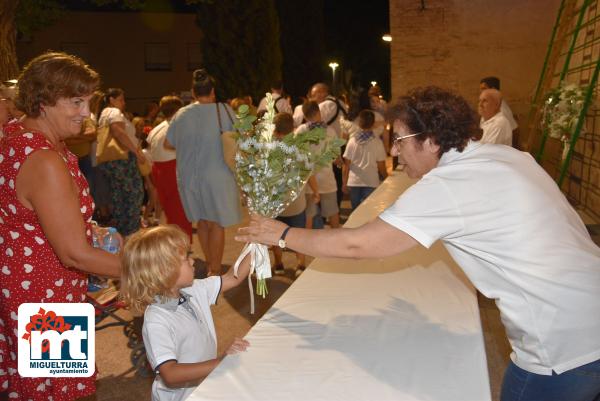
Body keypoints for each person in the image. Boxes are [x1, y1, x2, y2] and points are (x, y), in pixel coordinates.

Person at [236, 86, 600, 401]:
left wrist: (280, 234)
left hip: (563, 345)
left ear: (432, 140)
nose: (393, 151)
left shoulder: (449, 184)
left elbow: (358, 245)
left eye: (400, 140)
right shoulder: (505, 156)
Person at [0, 51, 121, 401]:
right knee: (57, 394)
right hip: (45, 300)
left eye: (89, 101)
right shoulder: (44, 159)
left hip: (25, 290)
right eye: (77, 102)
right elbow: (73, 254)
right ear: (42, 102)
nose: (87, 113)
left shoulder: (19, 135)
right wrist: (149, 269)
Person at [120, 225, 251, 401]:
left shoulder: (194, 289)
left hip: (203, 386)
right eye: (185, 258)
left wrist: (256, 245)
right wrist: (220, 362)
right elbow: (170, 374)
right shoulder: (157, 321)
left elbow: (232, 278)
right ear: (164, 271)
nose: (192, 261)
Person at [165, 69, 242, 276]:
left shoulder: (182, 114)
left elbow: (167, 143)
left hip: (190, 176)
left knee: (202, 222)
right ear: (213, 91)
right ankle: (215, 270)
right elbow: (240, 138)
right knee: (216, 223)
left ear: (193, 92)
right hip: (218, 174)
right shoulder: (224, 110)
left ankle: (210, 264)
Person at [270, 112, 315, 277]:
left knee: (275, 235)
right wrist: (315, 192)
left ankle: (279, 264)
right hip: (296, 202)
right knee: (298, 234)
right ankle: (300, 265)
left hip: (276, 203)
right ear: (292, 128)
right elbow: (309, 173)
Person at [97, 88, 145, 235]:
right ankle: (132, 230)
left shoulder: (103, 114)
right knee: (134, 194)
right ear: (112, 100)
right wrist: (136, 152)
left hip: (109, 160)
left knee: (119, 195)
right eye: (121, 99)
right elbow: (118, 131)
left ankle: (122, 230)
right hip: (123, 159)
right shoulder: (114, 112)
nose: (124, 103)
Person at [147, 96, 193, 239]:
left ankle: (176, 241)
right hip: (172, 168)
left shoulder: (156, 128)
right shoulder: (176, 126)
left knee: (170, 210)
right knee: (180, 210)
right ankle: (182, 243)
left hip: (158, 169)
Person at [296, 101, 341, 230]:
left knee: (309, 215)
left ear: (304, 116)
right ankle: (336, 240)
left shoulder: (301, 131)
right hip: (327, 179)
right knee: (333, 212)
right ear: (319, 112)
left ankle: (307, 245)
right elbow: (336, 157)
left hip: (309, 181)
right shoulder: (330, 131)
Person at [342, 109, 388, 210]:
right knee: (368, 212)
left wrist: (344, 182)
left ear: (359, 123)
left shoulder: (352, 141)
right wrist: (386, 178)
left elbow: (347, 164)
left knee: (355, 212)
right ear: (373, 124)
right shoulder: (377, 142)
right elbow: (381, 165)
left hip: (353, 182)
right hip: (371, 181)